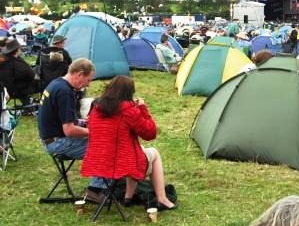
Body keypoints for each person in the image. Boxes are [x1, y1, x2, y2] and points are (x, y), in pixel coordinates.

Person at [81, 75, 176, 210]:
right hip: (119, 163)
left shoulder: (96, 108)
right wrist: (142, 108)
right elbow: (150, 133)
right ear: (129, 92)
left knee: (136, 150)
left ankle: (128, 198)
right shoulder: (129, 111)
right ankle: (162, 198)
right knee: (153, 153)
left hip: (98, 161)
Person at [37, 58, 104, 198]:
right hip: (58, 143)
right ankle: (95, 190)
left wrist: (85, 123)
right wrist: (95, 132)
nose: (88, 84)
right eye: (88, 80)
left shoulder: (56, 83)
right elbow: (69, 130)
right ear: (80, 74)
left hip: (49, 138)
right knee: (106, 147)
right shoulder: (65, 92)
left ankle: (102, 185)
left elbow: (66, 120)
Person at [0, 38, 38, 105]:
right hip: (19, 90)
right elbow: (32, 76)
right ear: (17, 49)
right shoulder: (14, 63)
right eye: (19, 48)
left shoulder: (8, 57)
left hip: (12, 87)